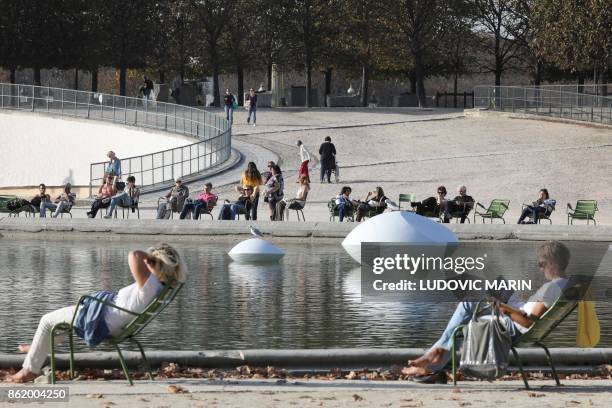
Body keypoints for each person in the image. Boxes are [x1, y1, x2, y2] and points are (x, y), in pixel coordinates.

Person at [5, 243, 187, 383]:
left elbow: (134, 255)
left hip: (102, 320)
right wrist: (154, 263)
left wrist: (150, 257)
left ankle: (29, 370)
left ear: (157, 264)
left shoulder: (149, 284)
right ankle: (39, 348)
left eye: (152, 261)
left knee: (46, 321)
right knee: (60, 320)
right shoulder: (159, 286)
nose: (147, 263)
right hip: (114, 321)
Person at [404, 241, 570, 379]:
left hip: (512, 325)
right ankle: (435, 357)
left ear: (552, 263)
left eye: (541, 264)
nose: (540, 268)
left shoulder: (552, 289)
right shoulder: (564, 283)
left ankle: (433, 357)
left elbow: (527, 322)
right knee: (492, 278)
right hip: (518, 308)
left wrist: (500, 306)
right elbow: (533, 312)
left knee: (468, 305)